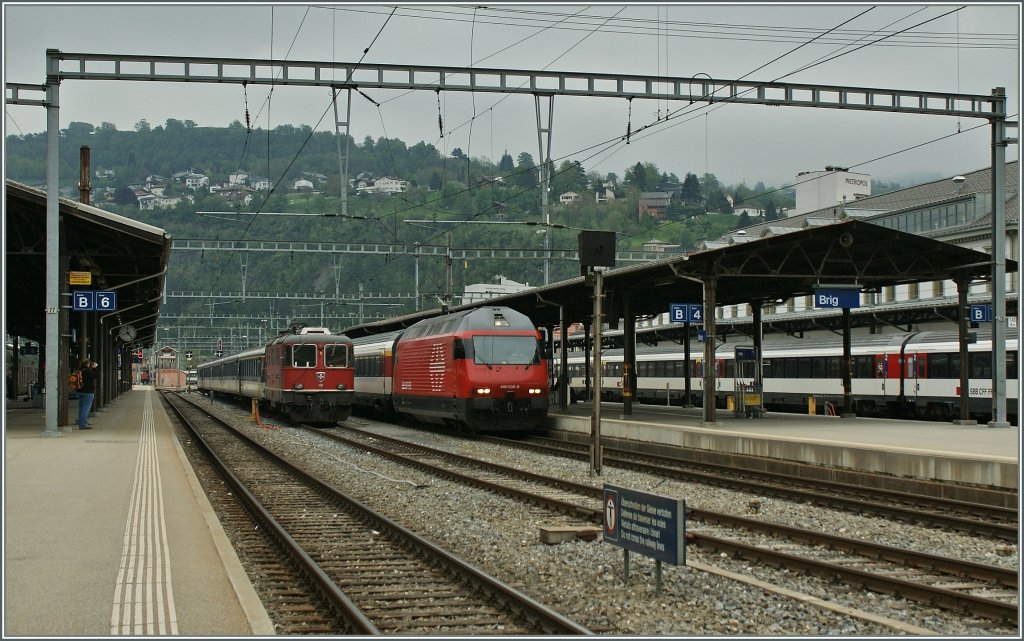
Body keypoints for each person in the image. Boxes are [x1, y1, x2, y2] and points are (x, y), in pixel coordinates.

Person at [77, 359, 98, 430]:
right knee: (86, 409)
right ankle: (83, 424)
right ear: (88, 364)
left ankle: (81, 423)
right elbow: (96, 376)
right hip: (88, 392)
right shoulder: (88, 371)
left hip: (79, 391)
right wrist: (94, 368)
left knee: (81, 408)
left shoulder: (80, 370)